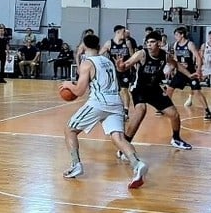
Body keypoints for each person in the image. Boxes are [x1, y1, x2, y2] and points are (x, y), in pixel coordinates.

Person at [60, 34, 148, 189]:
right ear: (98, 45)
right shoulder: (107, 60)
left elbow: (80, 91)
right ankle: (137, 164)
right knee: (119, 138)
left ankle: (76, 165)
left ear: (84, 46)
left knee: (70, 129)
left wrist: (68, 85)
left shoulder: (87, 63)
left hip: (99, 102)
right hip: (116, 102)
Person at [116, 30, 193, 150]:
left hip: (154, 88)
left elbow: (176, 65)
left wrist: (190, 75)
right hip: (139, 88)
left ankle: (176, 139)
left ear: (159, 43)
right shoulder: (142, 54)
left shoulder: (165, 55)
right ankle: (125, 146)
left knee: (174, 114)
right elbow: (125, 65)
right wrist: (120, 67)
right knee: (141, 110)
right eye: (147, 42)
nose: (149, 44)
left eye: (152, 42)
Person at [167, 26, 211, 121]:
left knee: (197, 92)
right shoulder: (175, 45)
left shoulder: (190, 44)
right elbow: (175, 59)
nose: (175, 36)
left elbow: (198, 57)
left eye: (176, 34)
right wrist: (171, 69)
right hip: (180, 72)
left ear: (182, 35)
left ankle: (207, 111)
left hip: (191, 72)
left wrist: (198, 70)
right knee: (169, 89)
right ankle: (165, 107)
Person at [100, 25, 136, 115]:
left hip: (125, 69)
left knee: (124, 89)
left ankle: (126, 111)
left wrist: (134, 68)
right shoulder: (109, 43)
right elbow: (99, 55)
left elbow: (133, 56)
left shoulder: (127, 43)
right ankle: (114, 108)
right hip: (113, 70)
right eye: (124, 31)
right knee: (114, 90)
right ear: (118, 32)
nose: (125, 33)